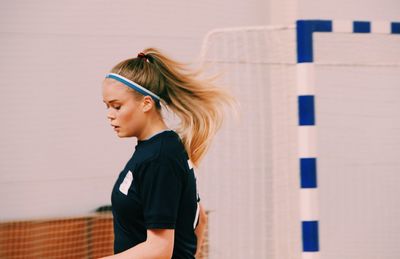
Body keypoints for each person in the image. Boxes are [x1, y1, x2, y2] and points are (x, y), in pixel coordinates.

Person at [101, 48, 234, 259]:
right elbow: (200, 218)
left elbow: (159, 249)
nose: (109, 115)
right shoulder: (163, 148)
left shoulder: (159, 158)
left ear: (146, 103)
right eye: (106, 106)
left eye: (117, 106)